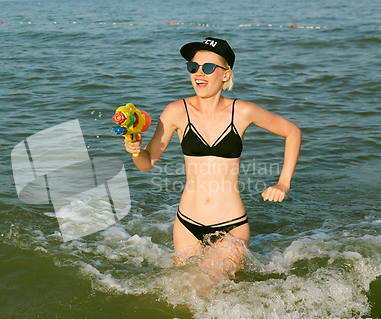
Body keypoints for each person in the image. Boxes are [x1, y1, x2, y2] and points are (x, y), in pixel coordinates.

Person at [123, 37, 301, 266]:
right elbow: (146, 164)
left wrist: (283, 183)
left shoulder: (242, 111)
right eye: (193, 67)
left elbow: (292, 132)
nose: (199, 73)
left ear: (225, 74)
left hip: (232, 225)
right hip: (187, 223)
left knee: (209, 287)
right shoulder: (176, 111)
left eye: (207, 68)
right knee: (185, 297)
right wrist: (135, 149)